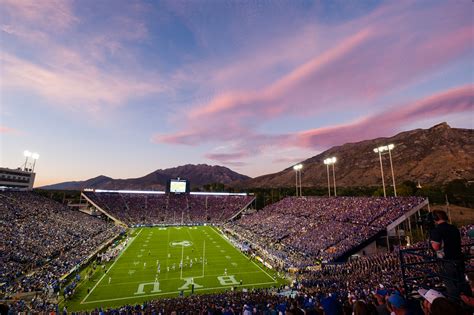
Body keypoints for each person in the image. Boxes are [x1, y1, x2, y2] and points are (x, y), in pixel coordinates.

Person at [430, 210, 471, 299]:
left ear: (435, 219)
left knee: (451, 286)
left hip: (447, 261)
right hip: (458, 259)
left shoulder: (437, 230)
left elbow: (436, 247)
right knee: (462, 282)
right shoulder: (454, 228)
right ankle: (467, 302)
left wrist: (431, 242)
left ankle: (456, 305)